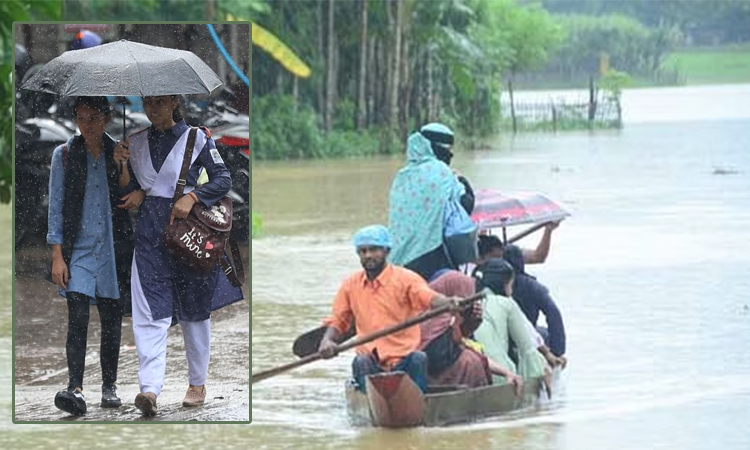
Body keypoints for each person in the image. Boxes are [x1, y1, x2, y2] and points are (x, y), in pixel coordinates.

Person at [125, 94, 243, 416]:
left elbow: (223, 180)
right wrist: (125, 170)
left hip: (187, 232)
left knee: (195, 310)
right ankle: (149, 389)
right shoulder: (134, 143)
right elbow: (132, 187)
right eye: (148, 102)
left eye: (160, 102)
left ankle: (197, 383)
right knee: (150, 311)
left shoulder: (197, 138)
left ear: (174, 102)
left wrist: (193, 196)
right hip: (150, 235)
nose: (153, 109)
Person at [47, 96, 137, 416]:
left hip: (113, 250)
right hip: (80, 251)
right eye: (82, 118)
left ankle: (109, 386)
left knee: (111, 321)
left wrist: (122, 163)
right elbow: (56, 207)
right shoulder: (66, 155)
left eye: (94, 118)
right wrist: (57, 255)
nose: (88, 125)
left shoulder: (120, 152)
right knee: (79, 318)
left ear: (107, 118)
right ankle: (75, 386)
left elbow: (131, 197)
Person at [318, 225, 461, 392]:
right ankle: (373, 403)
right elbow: (338, 321)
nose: (368, 255)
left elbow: (428, 297)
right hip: (371, 362)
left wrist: (448, 303)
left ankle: (414, 404)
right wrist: (327, 341)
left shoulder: (406, 279)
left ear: (386, 251)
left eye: (374, 250)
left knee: (419, 358)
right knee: (361, 362)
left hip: (404, 360)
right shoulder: (350, 285)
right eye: (363, 251)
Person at [388, 131, 475, 281]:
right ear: (431, 147)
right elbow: (466, 204)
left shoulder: (401, 177)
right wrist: (462, 179)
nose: (450, 153)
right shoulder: (442, 171)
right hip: (432, 252)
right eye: (447, 148)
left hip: (398, 260)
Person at [419, 271, 523, 393]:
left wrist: (472, 320)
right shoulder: (433, 322)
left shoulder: (451, 326)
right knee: (469, 360)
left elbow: (465, 345)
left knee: (471, 359)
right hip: (434, 378)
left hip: (454, 374)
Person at [503, 244, 567, 358]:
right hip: (526, 335)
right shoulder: (532, 286)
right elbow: (553, 312)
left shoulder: (496, 284)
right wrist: (557, 350)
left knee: (542, 332)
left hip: (506, 337)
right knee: (543, 333)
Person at [461, 221, 561, 275]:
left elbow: (538, 257)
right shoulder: (462, 263)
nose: (499, 262)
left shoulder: (508, 253)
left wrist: (548, 231)